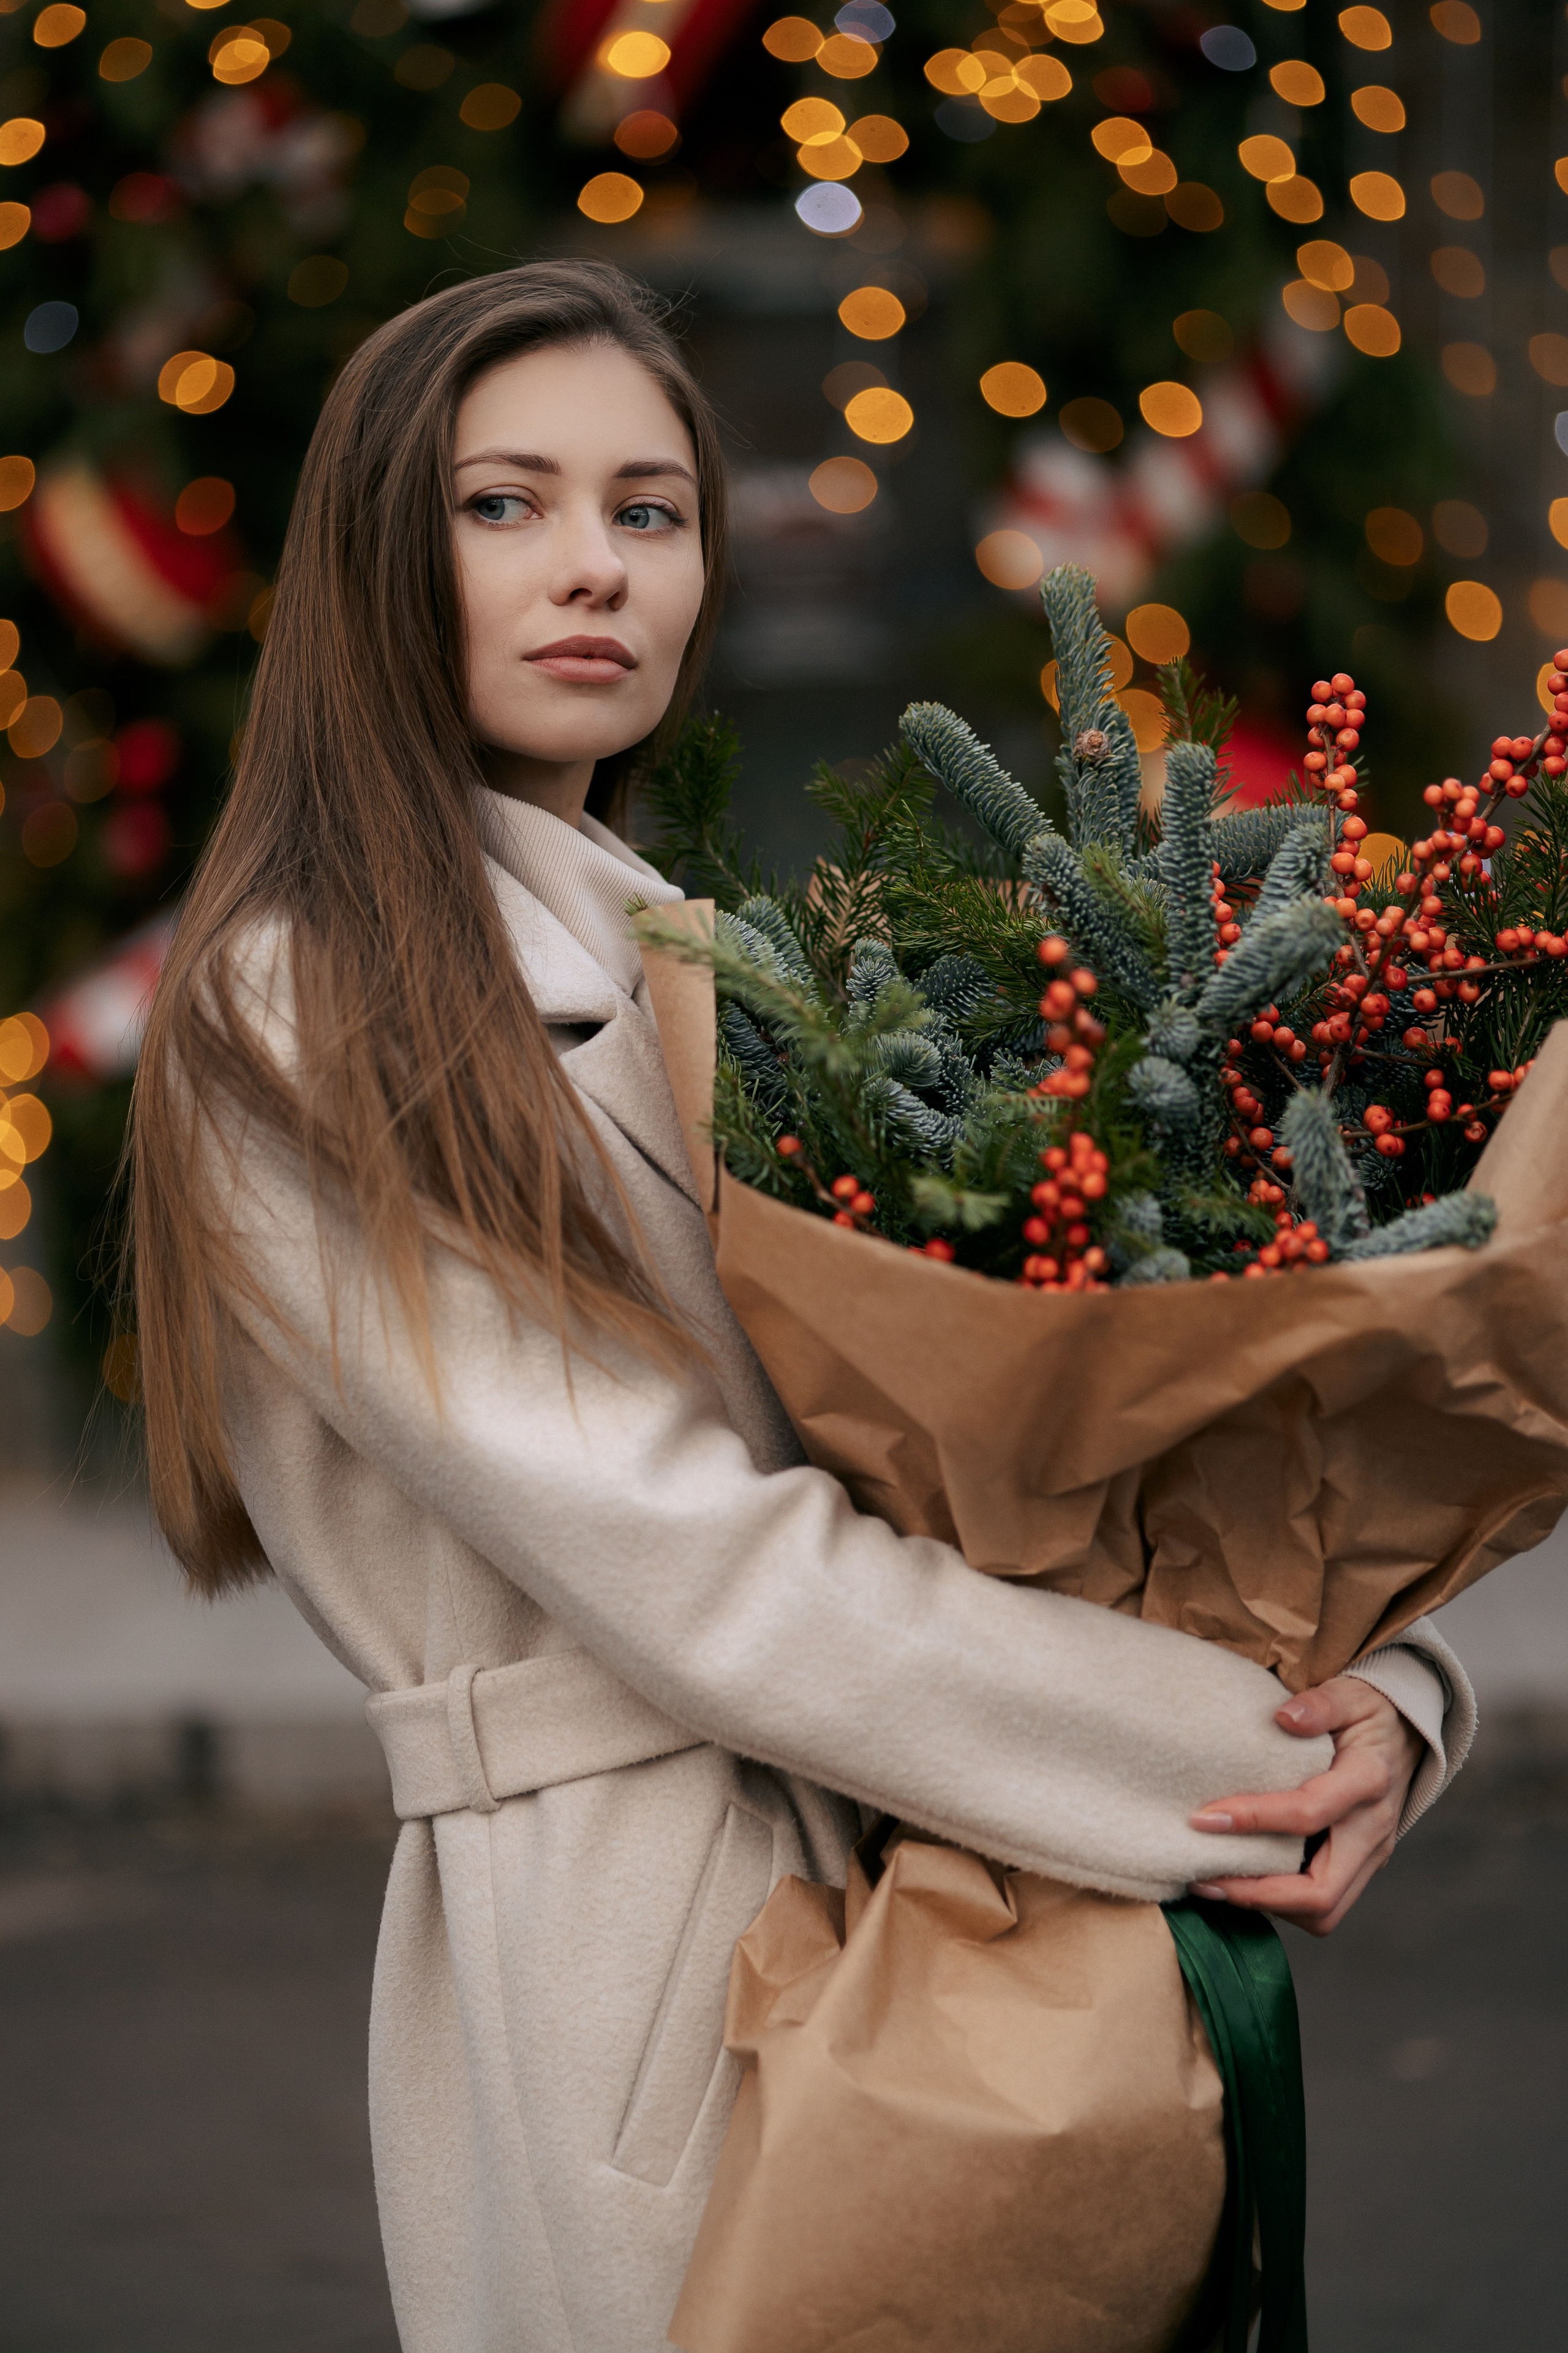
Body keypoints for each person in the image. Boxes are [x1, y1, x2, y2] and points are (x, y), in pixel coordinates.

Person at [130, 260, 1473, 2353]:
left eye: (650, 511)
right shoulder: (301, 999)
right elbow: (698, 1563)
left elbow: (996, 1454)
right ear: (376, 549)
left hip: (925, 1861)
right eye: (507, 504)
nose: (595, 568)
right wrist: (1244, 1754)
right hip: (635, 1949)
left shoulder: (706, 951)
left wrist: (1399, 1685)